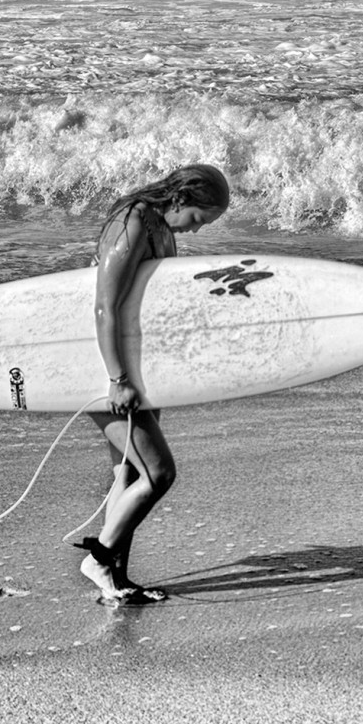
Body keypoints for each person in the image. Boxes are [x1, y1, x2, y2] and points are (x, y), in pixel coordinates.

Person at [77, 164, 231, 605]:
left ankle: (115, 582)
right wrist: (117, 379)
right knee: (159, 473)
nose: (197, 230)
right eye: (198, 219)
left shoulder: (160, 227)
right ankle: (99, 558)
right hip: (108, 367)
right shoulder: (133, 221)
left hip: (134, 368)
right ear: (181, 199)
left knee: (128, 472)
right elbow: (105, 307)